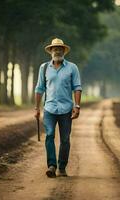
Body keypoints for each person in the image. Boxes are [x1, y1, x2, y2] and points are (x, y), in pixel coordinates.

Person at [34, 38, 82, 178]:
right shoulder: (44, 68)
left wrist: (77, 106)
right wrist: (36, 108)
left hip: (66, 109)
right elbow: (39, 88)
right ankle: (52, 166)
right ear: (50, 51)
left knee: (65, 139)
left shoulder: (72, 67)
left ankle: (62, 167)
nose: (57, 51)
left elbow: (77, 88)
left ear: (64, 51)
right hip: (49, 108)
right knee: (49, 135)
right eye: (55, 48)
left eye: (60, 48)